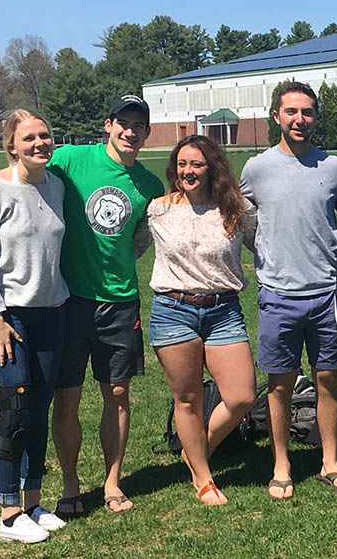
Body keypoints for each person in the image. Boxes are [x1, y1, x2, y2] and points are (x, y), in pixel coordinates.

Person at [0, 95, 164, 515]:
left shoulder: (150, 186)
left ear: (147, 132)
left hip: (120, 302)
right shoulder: (70, 159)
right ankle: (69, 485)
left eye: (138, 126)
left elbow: (140, 241)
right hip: (68, 301)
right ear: (108, 124)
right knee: (65, 399)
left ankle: (111, 483)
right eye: (122, 122)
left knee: (118, 393)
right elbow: (18, 176)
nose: (130, 131)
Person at [239, 81, 337, 499]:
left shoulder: (334, 167)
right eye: (291, 112)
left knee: (328, 378)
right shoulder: (257, 168)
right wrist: (263, 248)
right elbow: (239, 214)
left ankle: (329, 461)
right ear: (276, 117)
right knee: (280, 385)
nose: (299, 120)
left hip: (327, 293)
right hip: (278, 294)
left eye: (307, 112)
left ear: (316, 117)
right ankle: (281, 464)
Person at [0, 110, 69, 543]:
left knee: (38, 409)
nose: (40, 143)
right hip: (8, 319)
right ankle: (8, 514)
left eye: (45, 136)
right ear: (11, 146)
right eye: (29, 138)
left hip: (51, 313)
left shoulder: (56, 185)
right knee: (15, 410)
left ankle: (32, 502)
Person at [136, 135, 258, 504]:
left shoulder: (237, 209)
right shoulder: (158, 209)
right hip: (173, 311)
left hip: (224, 311)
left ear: (212, 168)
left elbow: (269, 244)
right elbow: (126, 246)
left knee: (242, 396)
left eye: (197, 165)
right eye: (182, 164)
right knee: (186, 399)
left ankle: (197, 449)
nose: (188, 172)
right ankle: (204, 480)